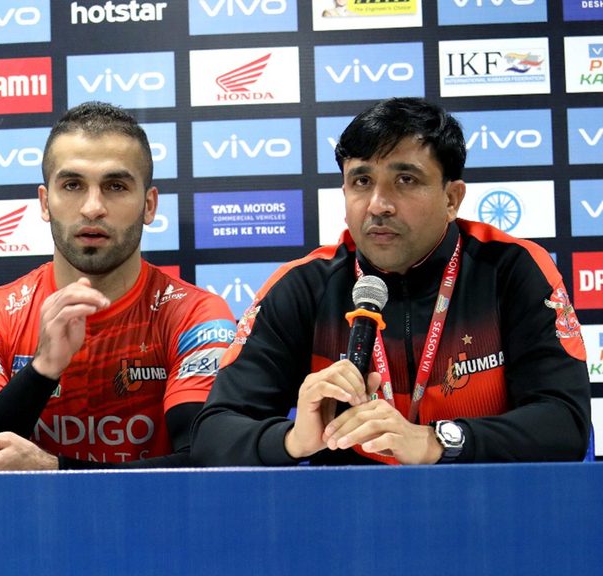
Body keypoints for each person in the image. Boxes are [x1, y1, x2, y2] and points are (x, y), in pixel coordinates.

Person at [191, 97, 591, 466]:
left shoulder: (510, 268)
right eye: (361, 181)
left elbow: (565, 423)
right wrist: (293, 440)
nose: (378, 205)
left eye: (405, 180)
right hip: (350, 521)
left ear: (452, 199)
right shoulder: (303, 286)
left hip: (485, 515)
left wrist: (436, 441)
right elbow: (213, 435)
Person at [0, 101, 236, 471]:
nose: (92, 207)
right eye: (72, 185)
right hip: (29, 528)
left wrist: (56, 471)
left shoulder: (196, 317)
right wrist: (43, 369)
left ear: (149, 205)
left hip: (155, 527)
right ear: (45, 202)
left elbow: (208, 464)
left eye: (116, 186)